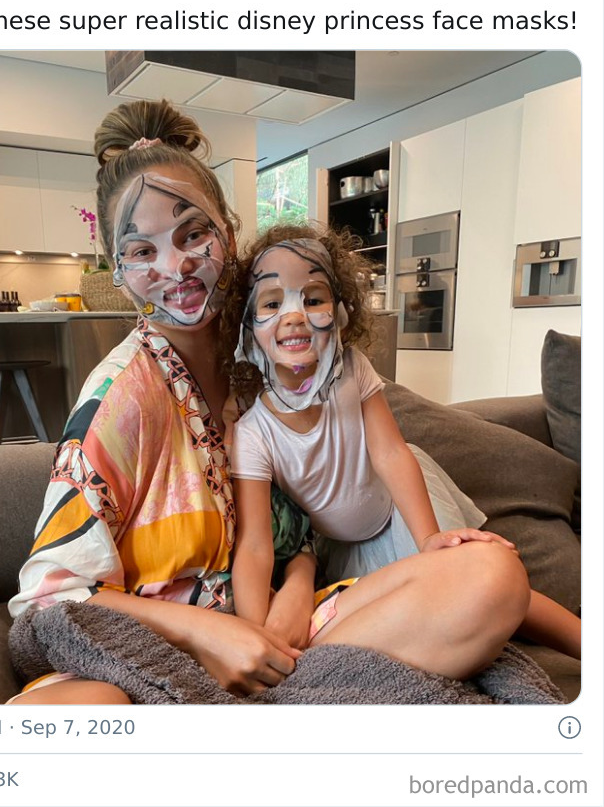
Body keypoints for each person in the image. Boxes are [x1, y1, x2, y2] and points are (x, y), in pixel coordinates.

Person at [7, 100, 531, 705]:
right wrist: (211, 632)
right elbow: (47, 597)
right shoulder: (118, 397)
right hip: (155, 653)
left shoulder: (257, 367)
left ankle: (282, 704)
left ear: (227, 235)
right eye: (143, 251)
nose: (175, 266)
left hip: (285, 634)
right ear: (118, 270)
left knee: (488, 578)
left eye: (193, 234)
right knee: (78, 711)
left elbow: (291, 526)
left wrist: (297, 584)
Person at [227, 224, 581, 660]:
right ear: (248, 326)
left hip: (402, 510)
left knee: (481, 578)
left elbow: (391, 453)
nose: (295, 314)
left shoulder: (352, 371)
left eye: (313, 297)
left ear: (338, 312)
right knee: (429, 611)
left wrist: (429, 536)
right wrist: (250, 630)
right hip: (342, 548)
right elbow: (255, 544)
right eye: (273, 302)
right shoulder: (251, 435)